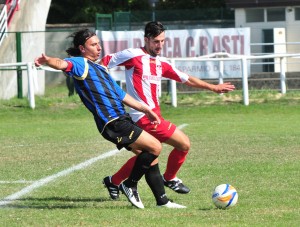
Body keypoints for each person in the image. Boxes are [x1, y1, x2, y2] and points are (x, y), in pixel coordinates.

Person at [34, 29, 185, 209]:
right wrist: (48, 60)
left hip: (122, 119)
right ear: (82, 48)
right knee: (155, 147)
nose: (99, 47)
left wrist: (146, 110)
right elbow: (61, 64)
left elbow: (121, 95)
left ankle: (162, 201)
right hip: (112, 122)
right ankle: (129, 184)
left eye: (98, 43)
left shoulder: (100, 69)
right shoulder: (80, 63)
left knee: (148, 157)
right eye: (93, 44)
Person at [101, 21, 236, 199]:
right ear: (147, 39)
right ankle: (170, 178)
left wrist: (213, 87)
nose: (160, 45)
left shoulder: (161, 63)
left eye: (163, 41)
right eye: (156, 41)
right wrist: (105, 89)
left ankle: (114, 180)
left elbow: (186, 79)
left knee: (147, 157)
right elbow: (104, 63)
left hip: (153, 117)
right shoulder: (133, 55)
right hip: (143, 118)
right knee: (184, 144)